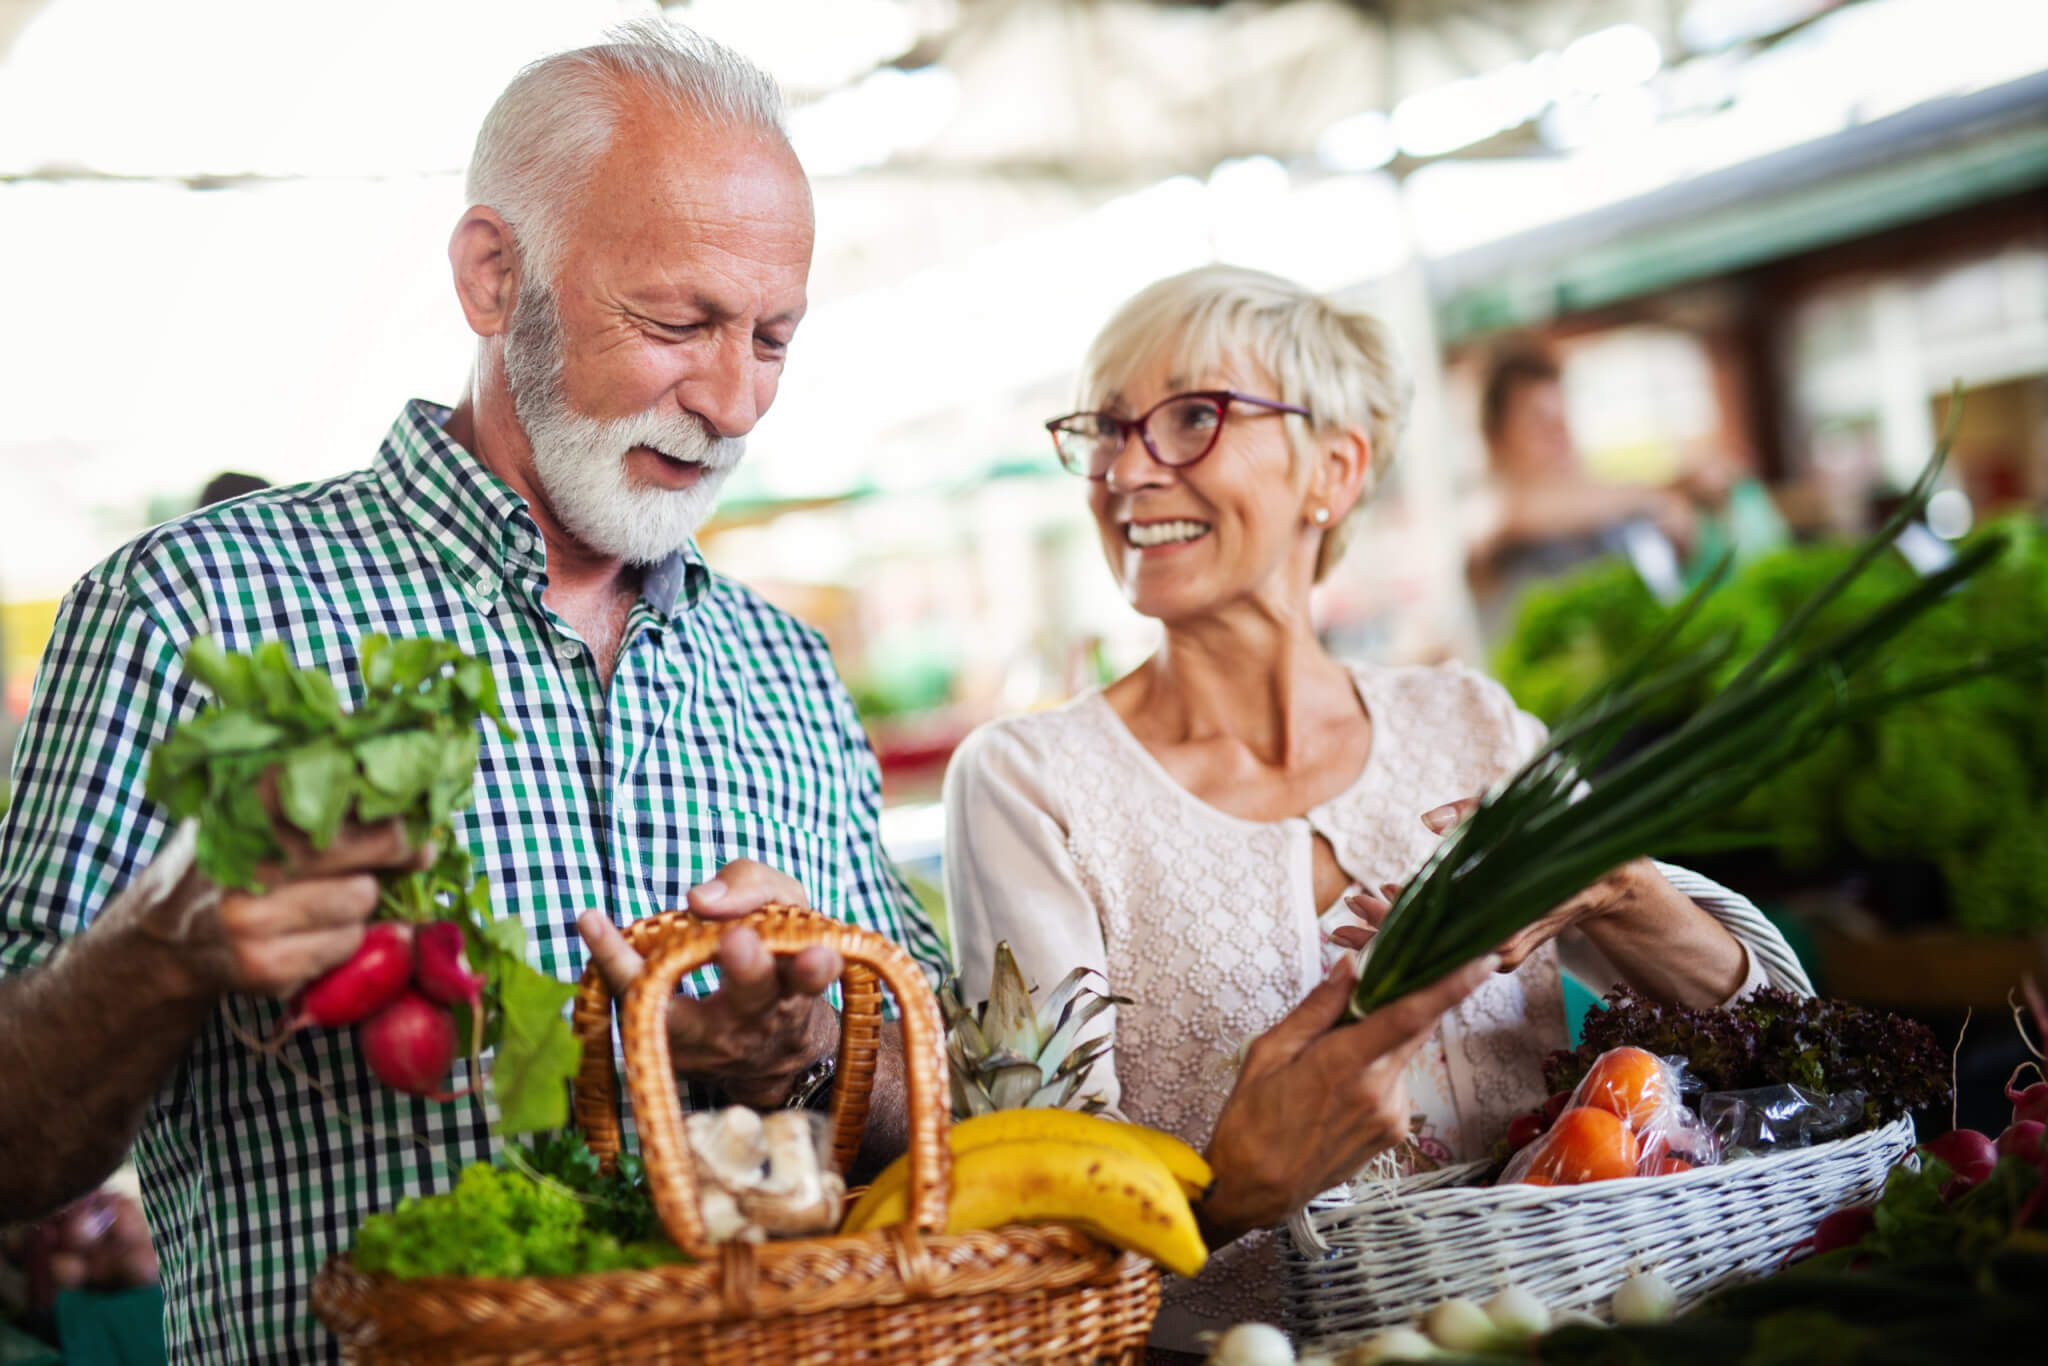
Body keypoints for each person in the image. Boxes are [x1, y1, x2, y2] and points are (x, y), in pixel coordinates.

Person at [0, 21, 946, 1362]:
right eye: (679, 323)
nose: (734, 401)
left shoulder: (782, 667)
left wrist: (802, 1041)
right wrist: (160, 947)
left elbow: (946, 1090)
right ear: (495, 276)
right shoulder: (190, 613)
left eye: (774, 339)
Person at [941, 265, 1810, 1354]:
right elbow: (1036, 1220)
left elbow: (1790, 1044)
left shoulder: (1471, 728)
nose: (1123, 470)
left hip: (1570, 1333)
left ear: (1333, 468)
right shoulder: (1030, 782)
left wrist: (1620, 891)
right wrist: (1229, 1193)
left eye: (1190, 418)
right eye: (1104, 429)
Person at [1464, 341, 1699, 638]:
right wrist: (1656, 498)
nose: (1560, 435)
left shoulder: (1599, 511)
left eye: (1563, 419)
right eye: (1540, 422)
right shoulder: (1486, 513)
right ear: (1495, 439)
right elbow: (1517, 515)